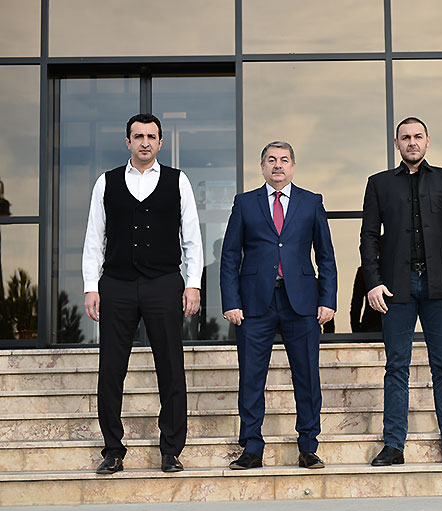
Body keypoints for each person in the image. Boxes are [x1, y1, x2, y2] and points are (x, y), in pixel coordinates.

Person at [82, 113, 203, 474]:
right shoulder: (106, 182)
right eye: (138, 136)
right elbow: (94, 238)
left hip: (164, 283)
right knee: (111, 369)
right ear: (128, 142)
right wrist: (91, 286)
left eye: (151, 137)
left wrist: (193, 283)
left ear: (160, 142)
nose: (145, 142)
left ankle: (171, 450)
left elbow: (192, 237)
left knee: (171, 367)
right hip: (116, 284)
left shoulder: (178, 181)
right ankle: (113, 450)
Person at [360, 117, 442, 466]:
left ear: (428, 141)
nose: (412, 142)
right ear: (396, 143)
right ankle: (394, 446)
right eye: (406, 137)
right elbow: (368, 237)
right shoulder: (379, 184)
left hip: (441, 287)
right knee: (396, 367)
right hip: (396, 287)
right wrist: (373, 281)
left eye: (418, 136)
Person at [220, 141, 337, 470]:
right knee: (251, 377)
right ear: (262, 167)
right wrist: (231, 301)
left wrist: (328, 300)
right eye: (271, 160)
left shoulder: (311, 202)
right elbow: (230, 257)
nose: (278, 165)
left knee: (307, 377)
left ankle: (308, 446)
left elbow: (326, 256)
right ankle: (251, 447)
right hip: (254, 304)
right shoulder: (245, 203)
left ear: (293, 166)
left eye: (284, 160)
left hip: (301, 302)